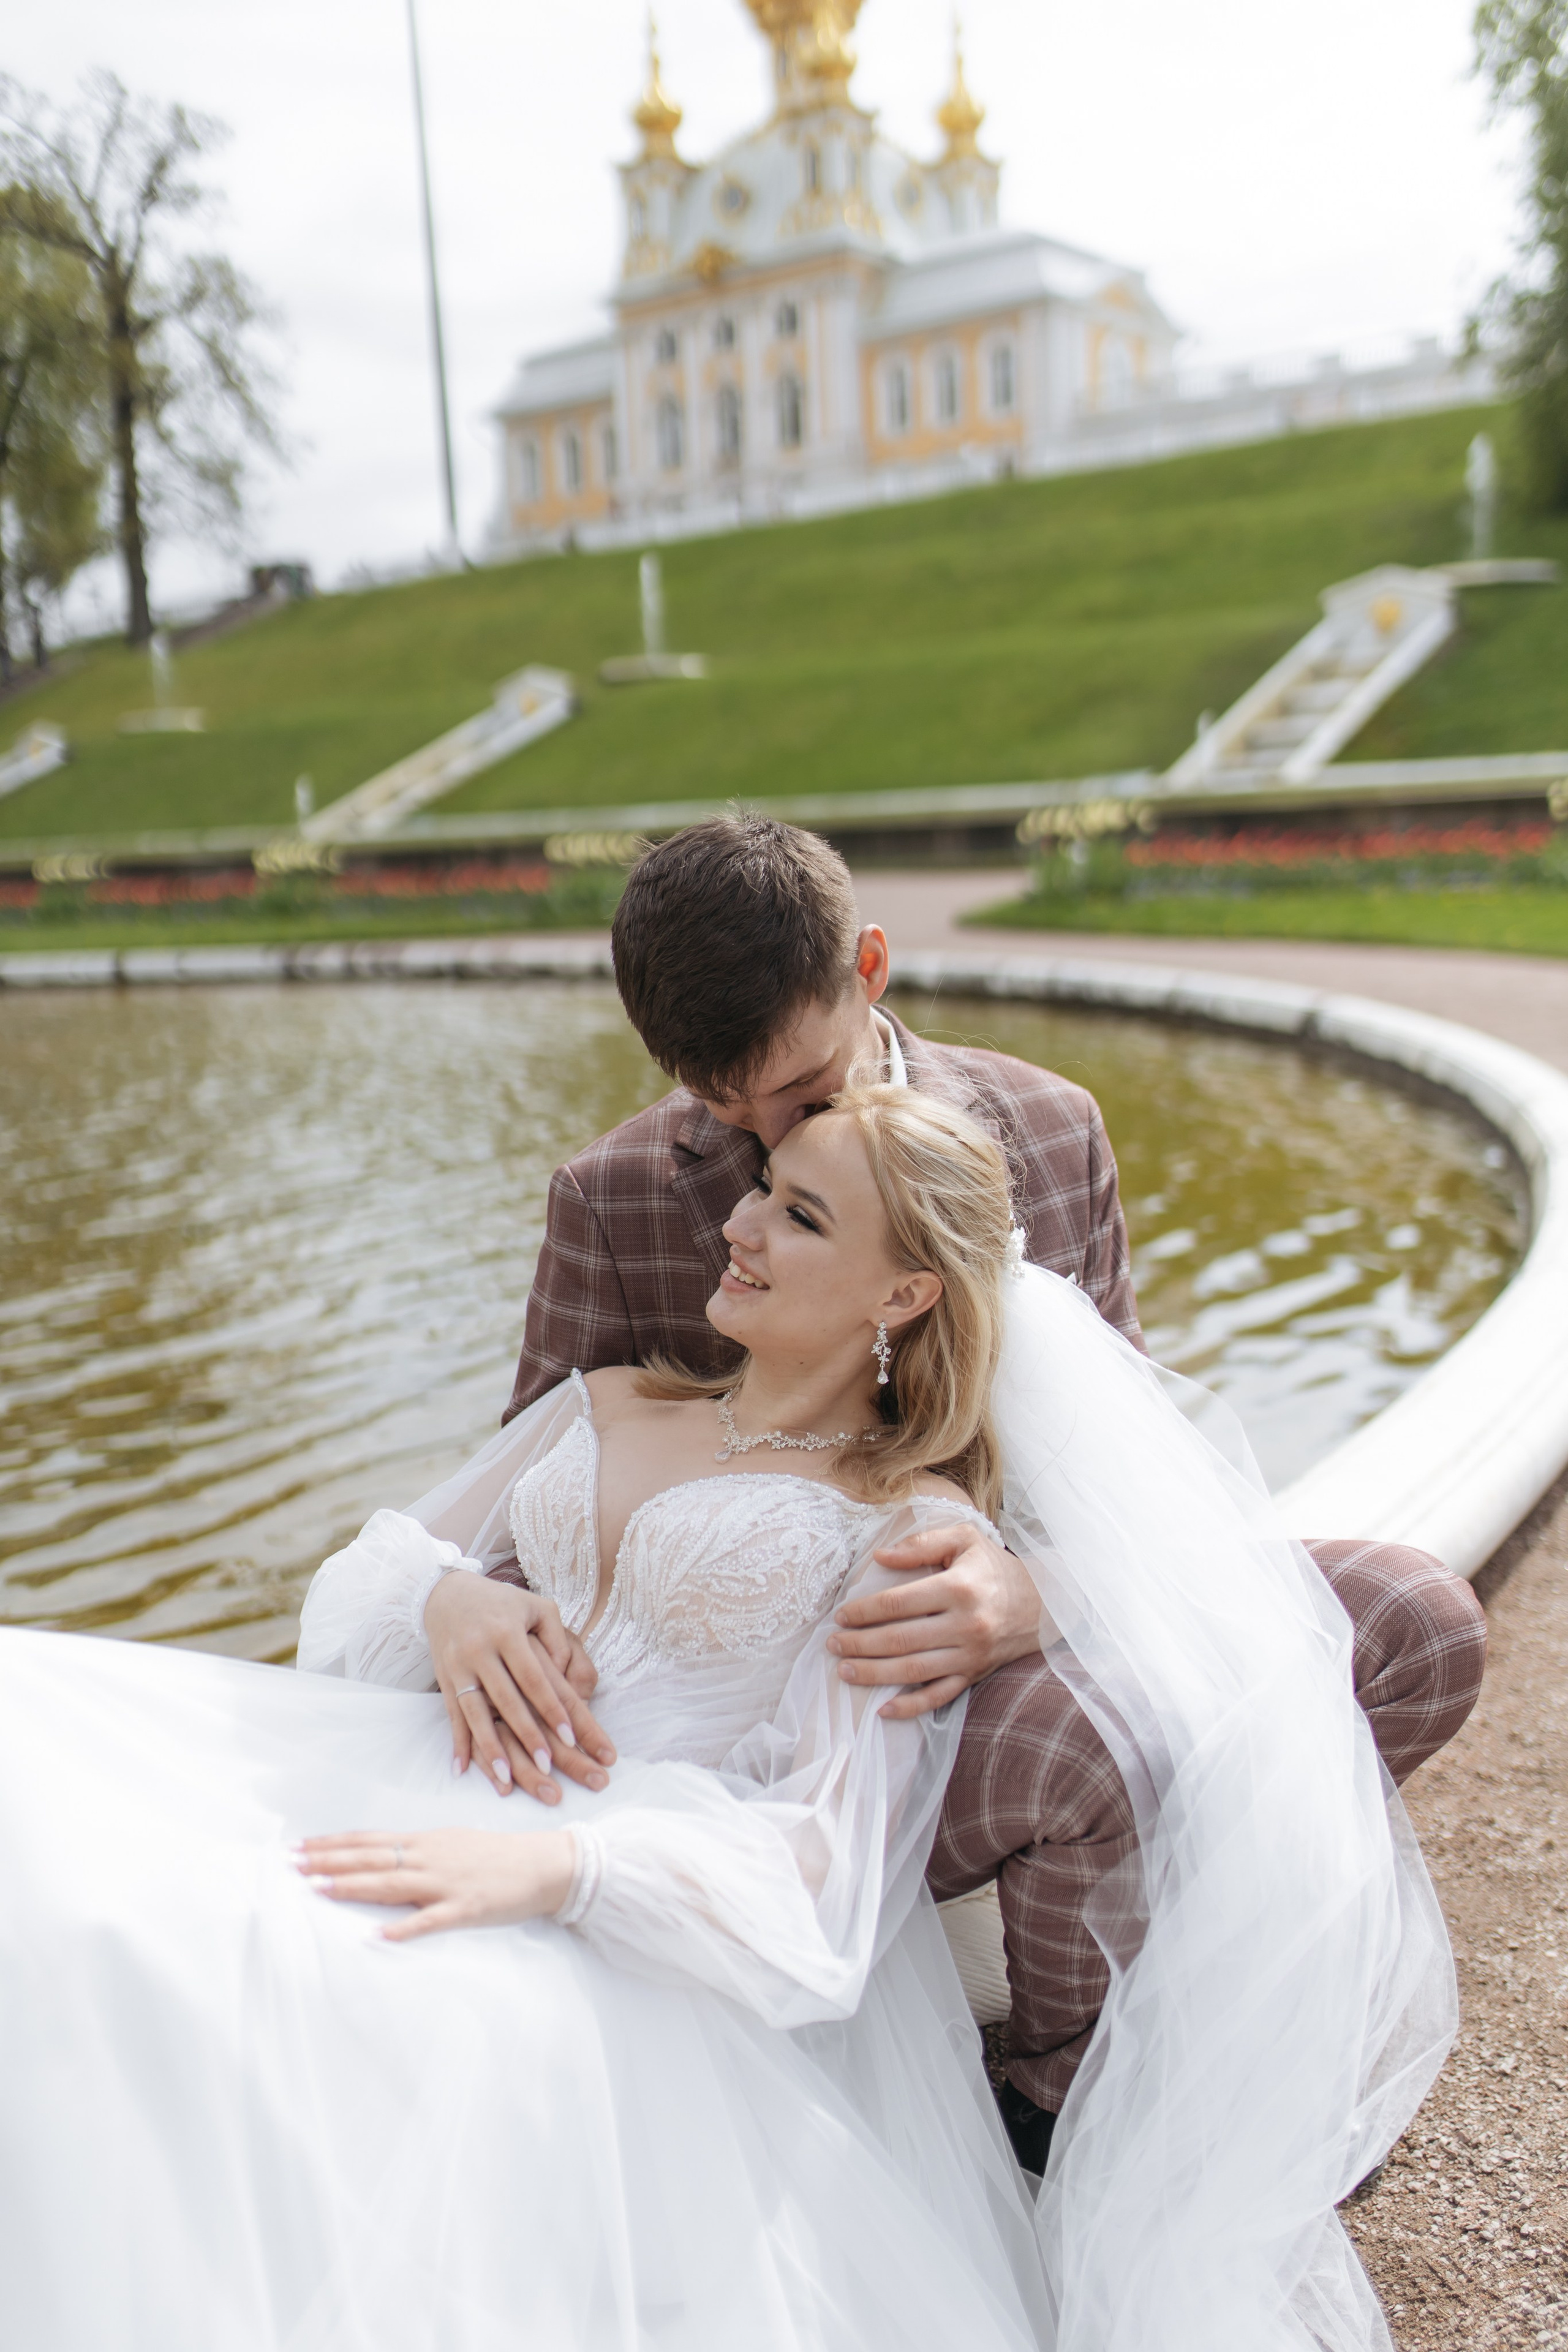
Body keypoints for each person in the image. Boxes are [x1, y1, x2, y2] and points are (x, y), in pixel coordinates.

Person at [0, 1083, 1452, 2351]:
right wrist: (449, 1605)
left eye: (802, 1219)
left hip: (628, 1877)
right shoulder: (614, 1398)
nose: (741, 1229)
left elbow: (823, 1867)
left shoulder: (902, 1523)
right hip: (394, 1761)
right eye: (762, 1190)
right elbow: (367, 1581)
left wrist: (561, 1873)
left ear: (903, 1297)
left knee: (203, 1974)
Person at [431, 814, 1487, 2171]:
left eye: (801, 1094)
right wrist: (457, 1595)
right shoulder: (611, 1196)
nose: (760, 1150)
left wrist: (1033, 1593)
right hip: (803, 1727)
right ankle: (1045, 2102)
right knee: (1075, 1747)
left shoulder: (1049, 1130)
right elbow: (528, 1482)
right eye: (719, 1105)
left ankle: (1179, 1973)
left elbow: (1130, 1469)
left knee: (1411, 1618)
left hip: (1015, 1616)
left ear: (869, 965)